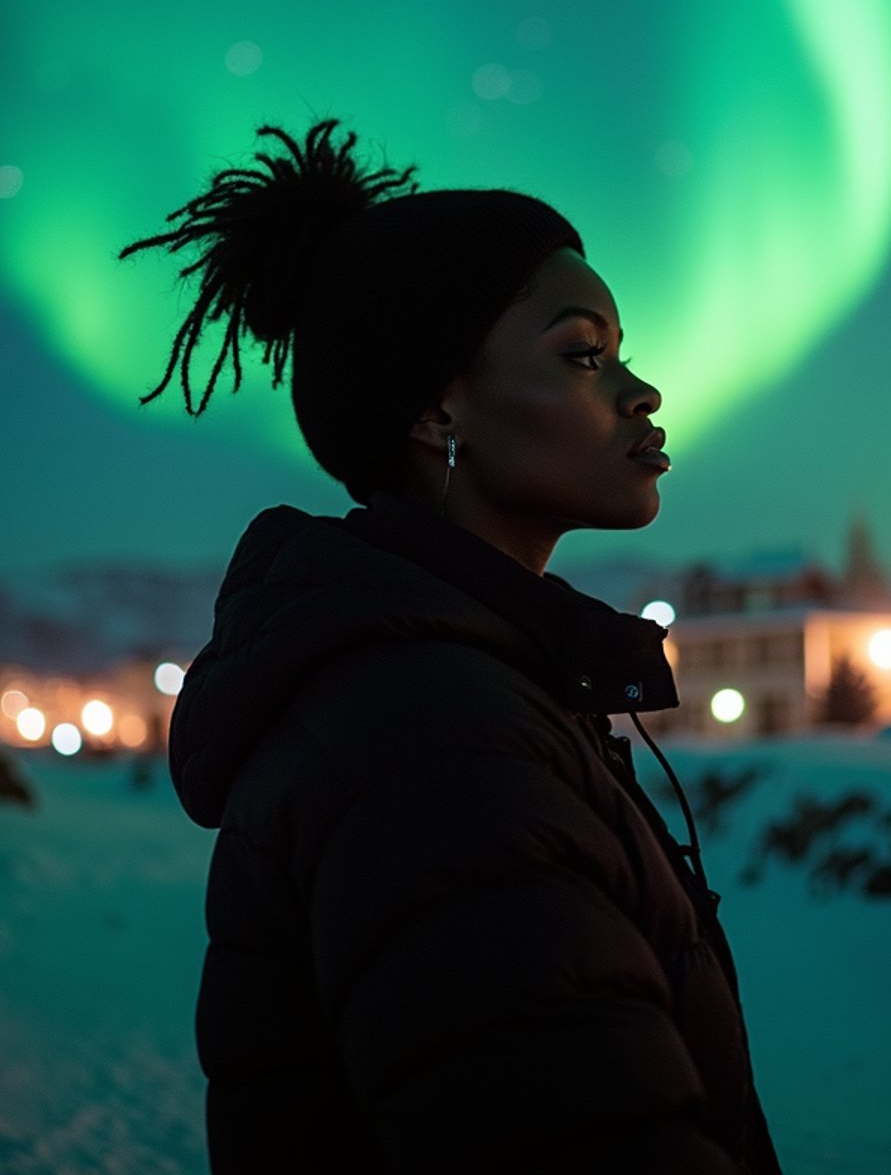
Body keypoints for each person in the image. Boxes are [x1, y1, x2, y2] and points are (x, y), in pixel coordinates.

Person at [119, 118, 784, 1174]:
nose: (640, 391)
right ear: (438, 408)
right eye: (581, 354)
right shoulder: (430, 738)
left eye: (622, 353)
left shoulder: (463, 687)